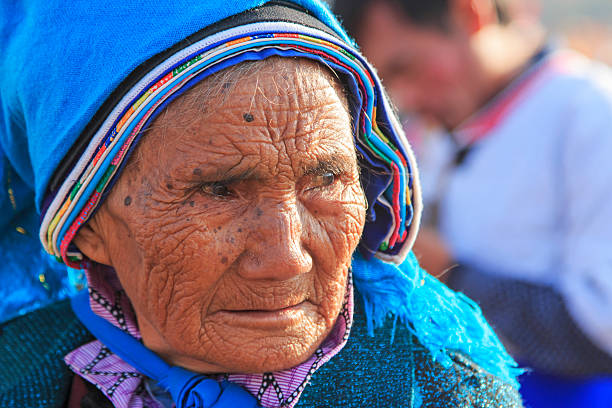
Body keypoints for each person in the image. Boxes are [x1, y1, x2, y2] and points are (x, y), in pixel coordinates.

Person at [0, 1, 525, 407]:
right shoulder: (21, 373)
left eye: (324, 181)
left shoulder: (436, 389)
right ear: (83, 225)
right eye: (218, 191)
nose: (287, 258)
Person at [333, 0, 612, 406]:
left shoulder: (590, 116)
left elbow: (601, 330)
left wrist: (452, 274)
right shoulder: (439, 130)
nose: (404, 98)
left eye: (404, 67)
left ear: (470, 14)